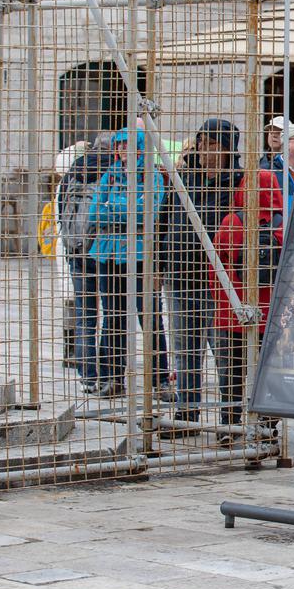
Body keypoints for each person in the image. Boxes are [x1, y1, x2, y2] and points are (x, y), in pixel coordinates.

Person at [157, 119, 241, 428]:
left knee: (223, 353)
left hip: (216, 279)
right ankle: (186, 412)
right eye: (203, 141)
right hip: (179, 274)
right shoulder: (184, 177)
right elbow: (163, 219)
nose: (205, 148)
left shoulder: (237, 181)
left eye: (212, 143)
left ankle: (228, 417)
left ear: (226, 148)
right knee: (184, 348)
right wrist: (158, 265)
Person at [89, 127, 170, 399]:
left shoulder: (152, 175)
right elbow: (95, 212)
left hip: (139, 256)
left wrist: (115, 207)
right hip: (109, 254)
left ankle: (159, 378)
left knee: (149, 318)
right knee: (113, 318)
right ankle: (113, 377)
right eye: (119, 145)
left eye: (127, 145)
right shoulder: (110, 175)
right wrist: (126, 208)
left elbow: (150, 210)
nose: (122, 150)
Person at [211, 169, 284, 435]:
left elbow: (216, 269)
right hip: (270, 316)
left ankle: (229, 426)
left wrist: (223, 304)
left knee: (230, 375)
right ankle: (266, 427)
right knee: (267, 374)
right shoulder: (283, 224)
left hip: (233, 314)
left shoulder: (231, 222)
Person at [56, 132, 115, 392]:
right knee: (112, 313)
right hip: (101, 250)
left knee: (85, 316)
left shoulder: (73, 172)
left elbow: (60, 210)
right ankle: (105, 372)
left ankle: (87, 376)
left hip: (75, 249)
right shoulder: (112, 172)